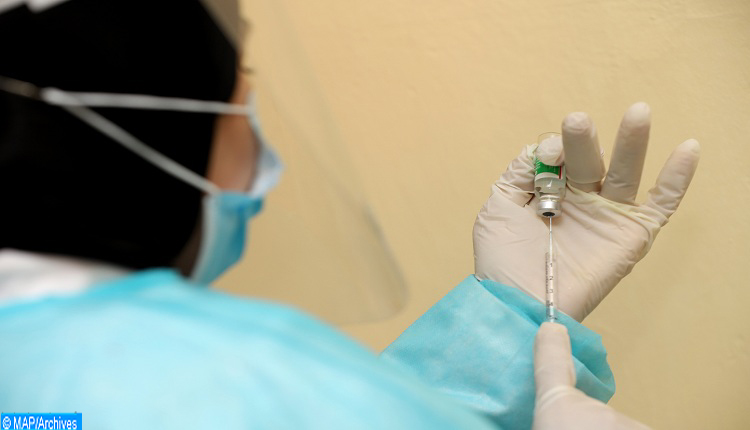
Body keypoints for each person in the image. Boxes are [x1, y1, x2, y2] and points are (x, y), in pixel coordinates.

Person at [0, 0, 699, 428]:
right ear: (160, 124)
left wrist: (506, 323)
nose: (256, 131)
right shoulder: (219, 378)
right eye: (242, 90)